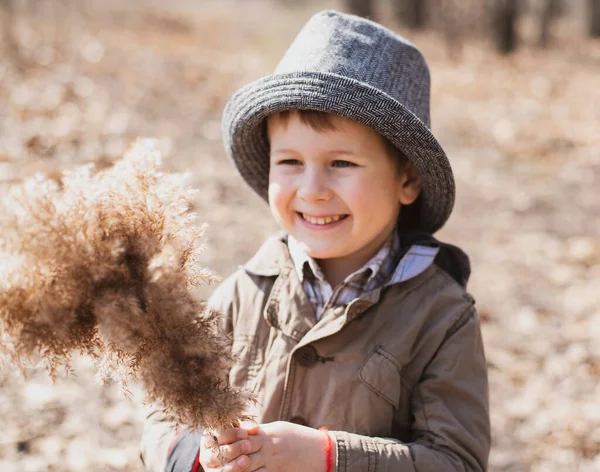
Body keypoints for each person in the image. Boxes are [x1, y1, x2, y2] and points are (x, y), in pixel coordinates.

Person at [140, 10, 490, 472]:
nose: (312, 190)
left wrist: (329, 458)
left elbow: (456, 461)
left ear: (407, 178)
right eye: (290, 162)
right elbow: (165, 413)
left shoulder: (441, 317)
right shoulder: (244, 293)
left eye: (341, 163)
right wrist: (200, 454)